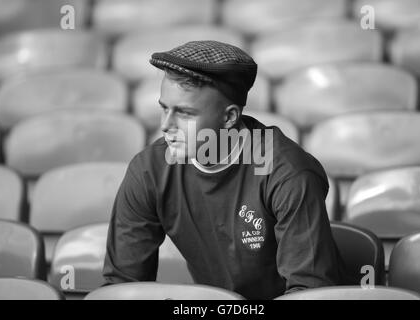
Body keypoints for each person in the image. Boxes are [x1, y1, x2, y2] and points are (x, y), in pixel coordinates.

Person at [103, 40, 344, 299]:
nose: (165, 125)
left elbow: (309, 295)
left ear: (229, 117)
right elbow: (122, 287)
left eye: (184, 113)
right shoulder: (149, 170)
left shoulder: (287, 173)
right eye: (164, 109)